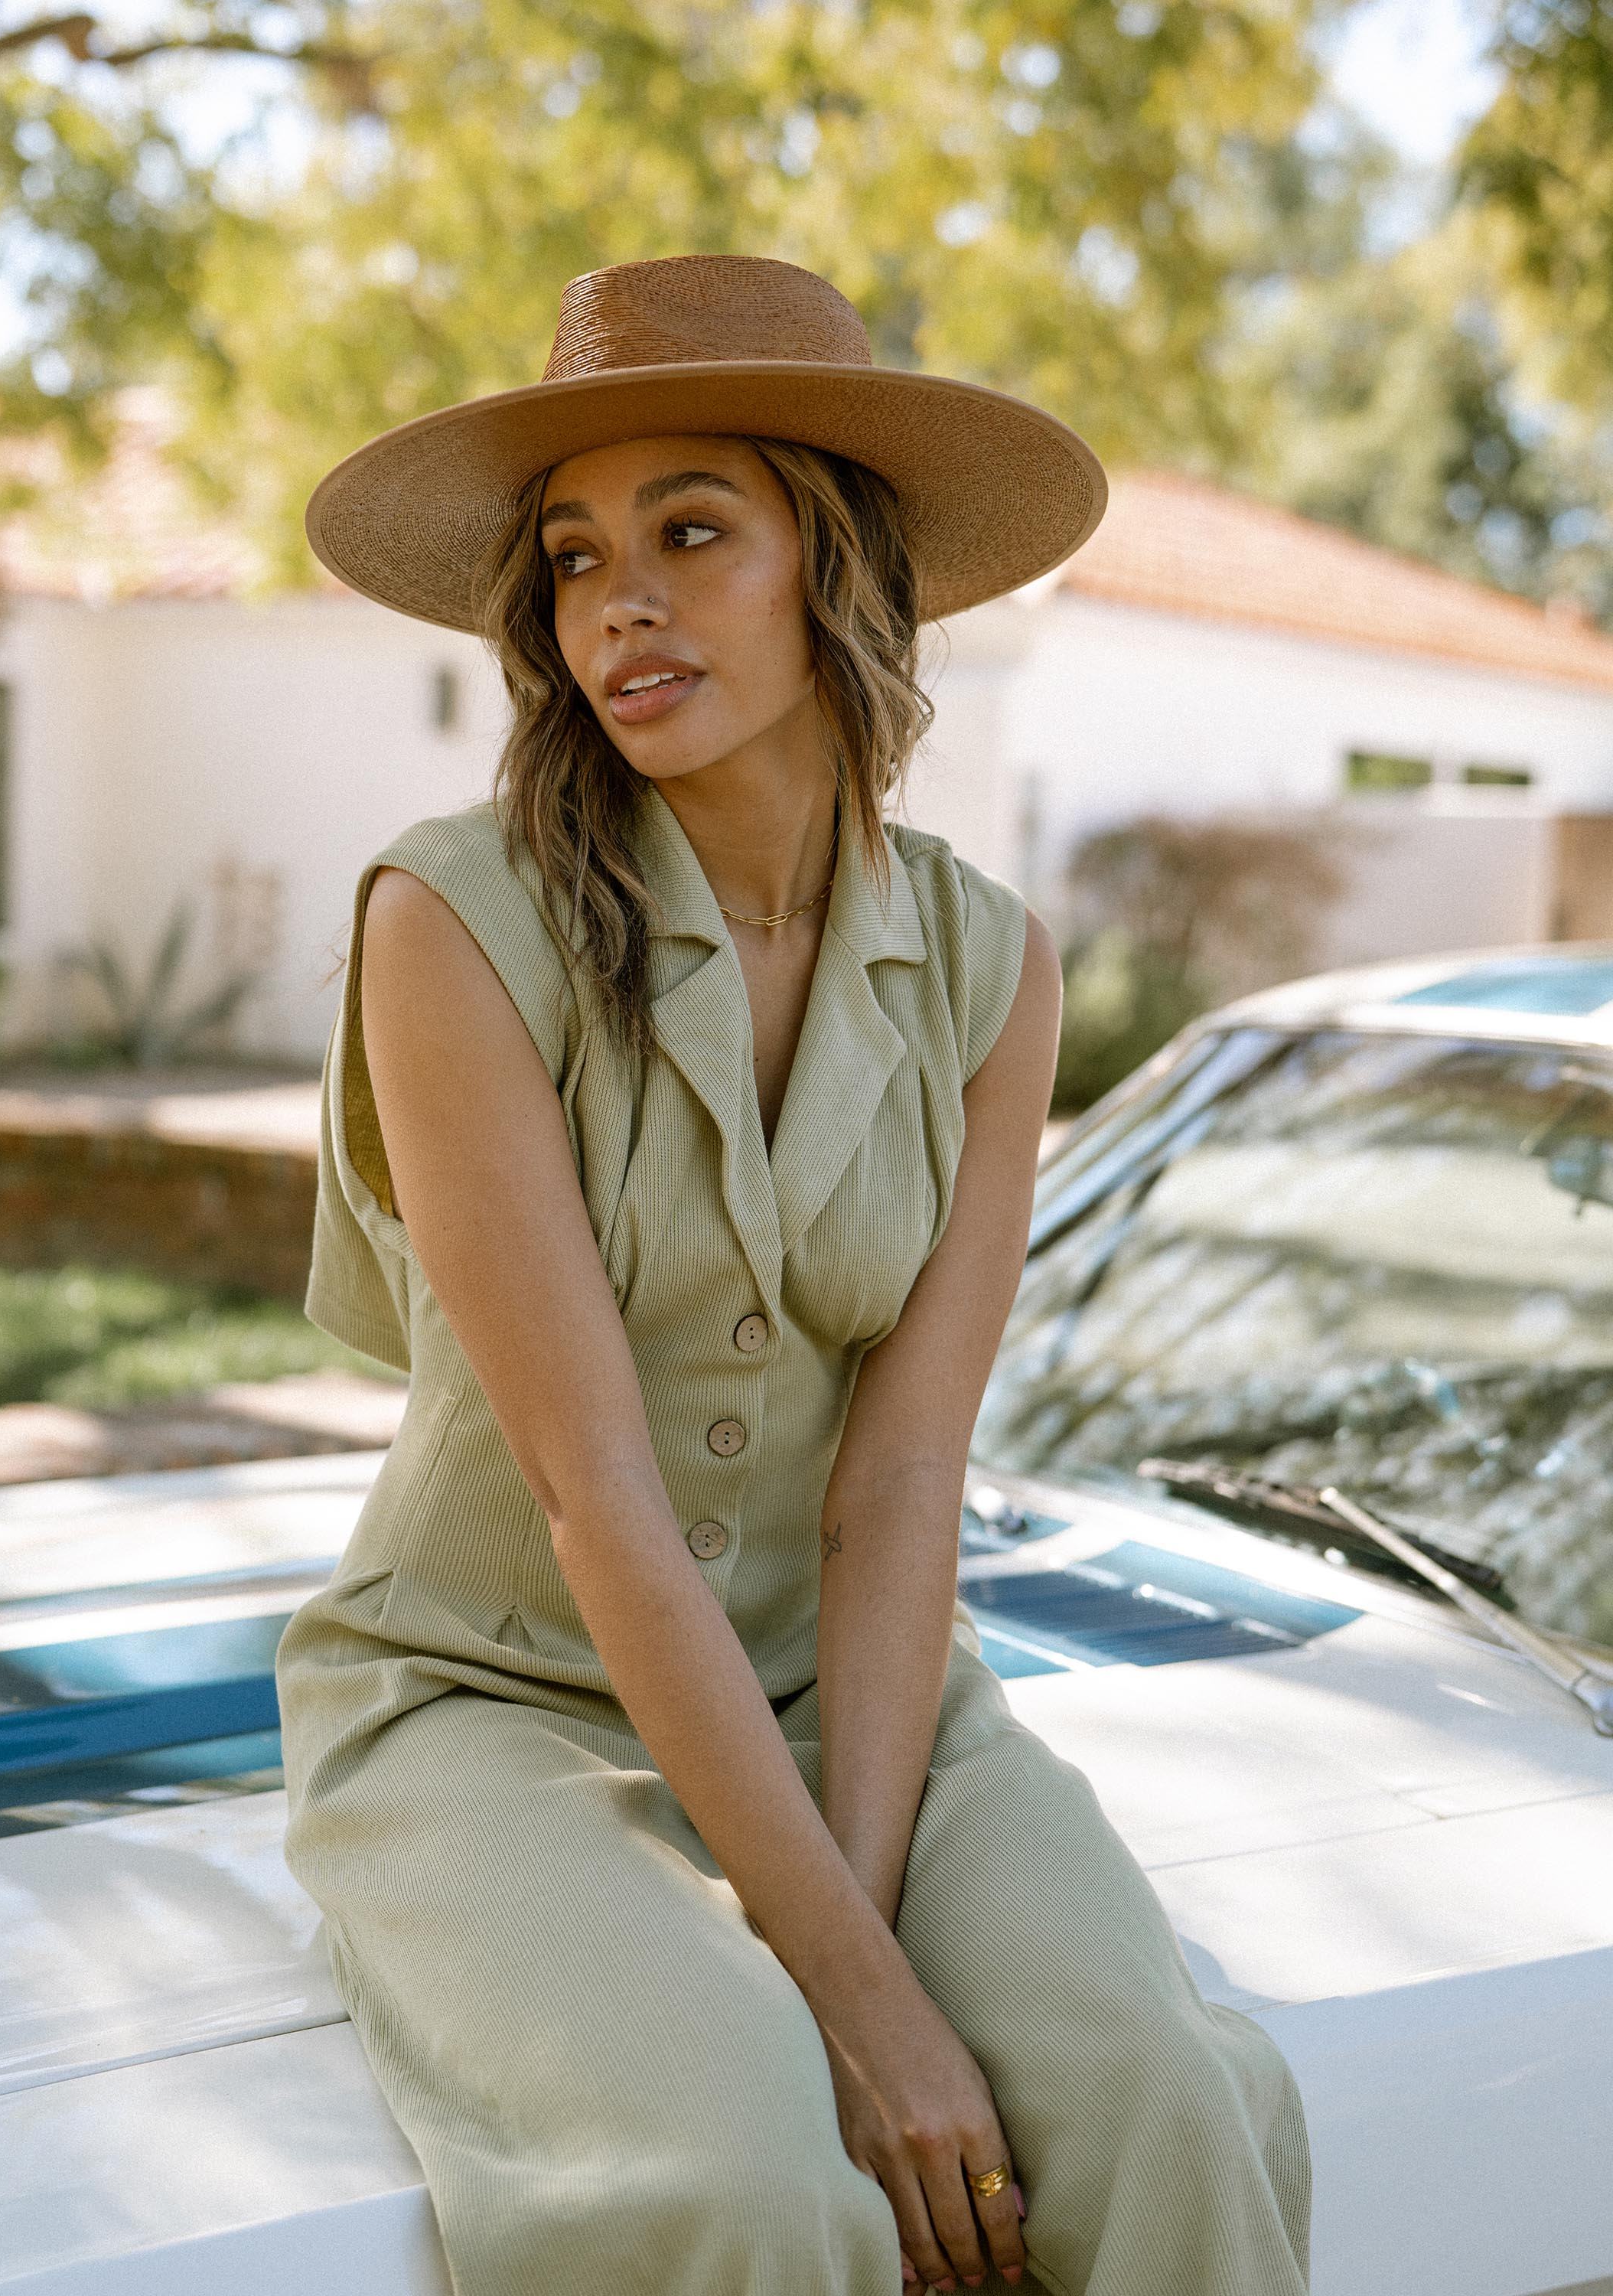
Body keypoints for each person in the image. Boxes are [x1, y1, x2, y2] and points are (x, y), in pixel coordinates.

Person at [277, 253, 1312, 2296]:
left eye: (692, 531)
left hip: (869, 1690)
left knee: (1168, 2106)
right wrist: (857, 1997)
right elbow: (599, 1509)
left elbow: (905, 1475)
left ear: (843, 569)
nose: (619, 606)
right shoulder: (453, 923)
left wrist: (855, 1912)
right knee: (741, 2189)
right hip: (501, 1701)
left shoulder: (996, 966)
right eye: (575, 558)